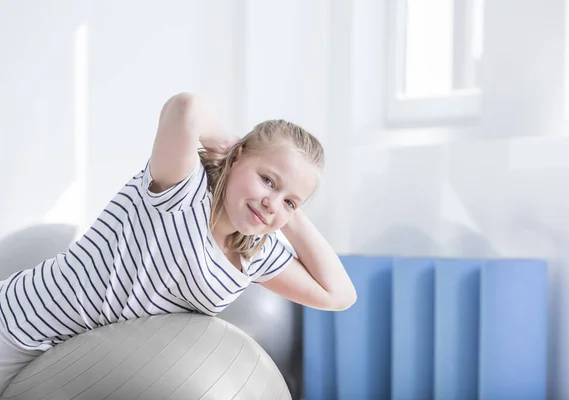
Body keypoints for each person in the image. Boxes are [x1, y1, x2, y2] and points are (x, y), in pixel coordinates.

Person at [0, 92, 357, 392]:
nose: (271, 203)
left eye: (290, 202)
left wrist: (289, 211)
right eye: (267, 180)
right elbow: (184, 108)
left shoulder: (256, 252)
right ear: (236, 160)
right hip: (17, 328)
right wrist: (237, 147)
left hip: (77, 369)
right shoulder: (181, 191)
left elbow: (339, 296)